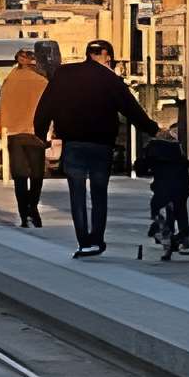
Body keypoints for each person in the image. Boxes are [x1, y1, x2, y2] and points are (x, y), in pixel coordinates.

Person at [37, 39, 149, 257]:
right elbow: (131, 109)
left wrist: (41, 135)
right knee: (99, 194)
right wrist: (154, 130)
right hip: (101, 145)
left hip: (74, 144)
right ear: (106, 55)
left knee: (77, 194)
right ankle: (97, 239)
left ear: (88, 53)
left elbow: (46, 106)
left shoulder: (64, 75)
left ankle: (83, 242)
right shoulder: (109, 78)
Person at [0, 46, 50, 227]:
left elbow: (2, 108)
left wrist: (1, 132)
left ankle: (23, 215)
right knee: (37, 176)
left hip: (14, 133)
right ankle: (33, 209)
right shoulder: (42, 82)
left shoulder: (9, 81)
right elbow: (50, 109)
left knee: (20, 176)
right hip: (36, 133)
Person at [140, 98, 189, 261]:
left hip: (163, 188)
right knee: (180, 210)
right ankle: (185, 237)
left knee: (159, 208)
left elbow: (142, 168)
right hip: (182, 187)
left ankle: (164, 233)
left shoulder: (152, 149)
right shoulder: (177, 150)